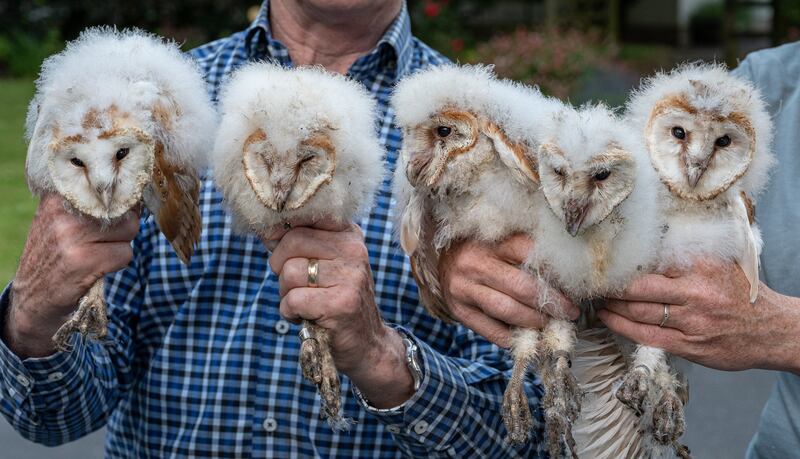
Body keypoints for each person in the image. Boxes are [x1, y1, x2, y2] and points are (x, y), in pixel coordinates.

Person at [0, 1, 544, 457]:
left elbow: (530, 429)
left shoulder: (478, 137)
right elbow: (56, 419)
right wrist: (33, 314)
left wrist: (382, 359)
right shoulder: (157, 103)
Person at [441, 40, 800, 458]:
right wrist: (457, 243)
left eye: (720, 144)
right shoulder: (771, 80)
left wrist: (783, 331)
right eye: (680, 136)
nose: (697, 159)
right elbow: (586, 151)